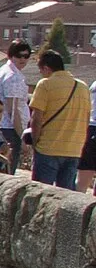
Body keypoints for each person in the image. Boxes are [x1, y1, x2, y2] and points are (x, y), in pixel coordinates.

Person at [26, 50, 89, 189]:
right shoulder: (83, 87)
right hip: (74, 148)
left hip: (48, 147)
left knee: (40, 193)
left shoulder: (45, 84)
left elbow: (36, 118)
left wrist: (35, 141)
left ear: (46, 68)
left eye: (40, 70)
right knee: (66, 197)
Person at [0, 42, 32, 173]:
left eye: (26, 56)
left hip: (1, 126)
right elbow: (12, 110)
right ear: (11, 55)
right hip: (11, 129)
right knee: (8, 169)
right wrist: (22, 137)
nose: (23, 59)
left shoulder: (1, 71)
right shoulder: (13, 77)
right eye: (19, 56)